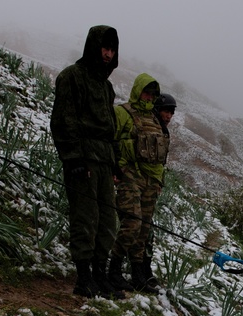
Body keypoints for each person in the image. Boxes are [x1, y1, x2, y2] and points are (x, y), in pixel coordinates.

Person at [50, 25, 122, 298]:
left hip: (104, 161)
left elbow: (110, 128)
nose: (107, 54)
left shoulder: (107, 87)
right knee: (85, 218)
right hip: (83, 160)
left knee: (107, 221)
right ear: (94, 46)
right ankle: (83, 277)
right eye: (104, 48)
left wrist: (115, 164)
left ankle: (100, 275)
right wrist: (73, 158)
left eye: (112, 49)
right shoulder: (72, 76)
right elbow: (63, 120)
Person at [107, 77, 174, 292]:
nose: (149, 97)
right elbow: (110, 141)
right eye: (146, 93)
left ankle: (138, 275)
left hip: (151, 182)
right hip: (129, 175)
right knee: (132, 223)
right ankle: (113, 270)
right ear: (138, 91)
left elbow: (159, 157)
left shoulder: (155, 121)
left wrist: (158, 182)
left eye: (153, 95)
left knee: (143, 230)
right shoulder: (122, 113)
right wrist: (116, 169)